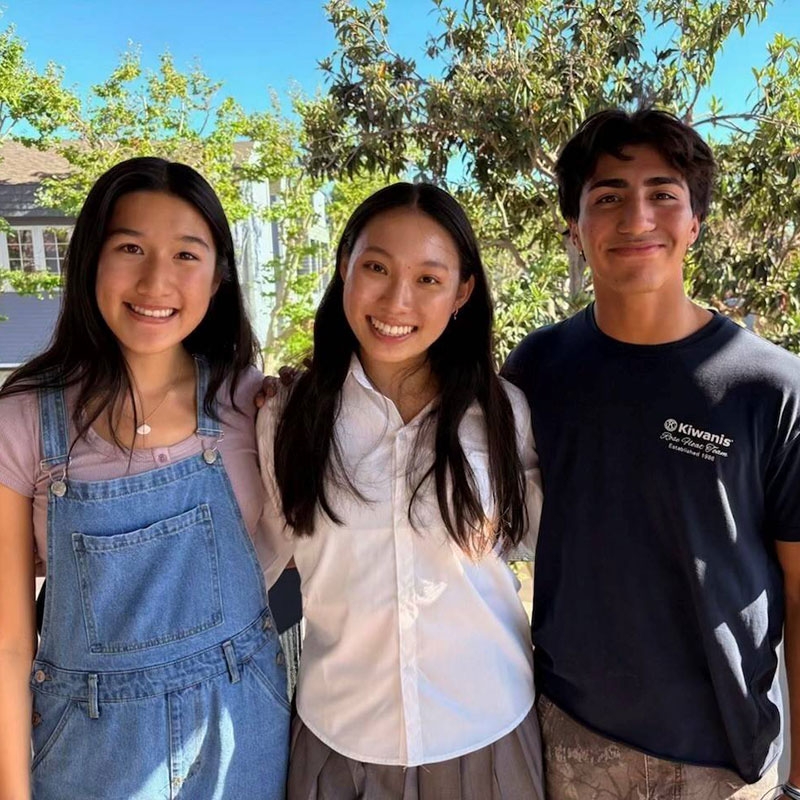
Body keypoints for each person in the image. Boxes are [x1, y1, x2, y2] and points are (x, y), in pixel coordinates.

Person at [503, 108, 800, 799]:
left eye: (663, 194)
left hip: (725, 761)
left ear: (695, 222)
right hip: (570, 739)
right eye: (607, 197)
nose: (637, 218)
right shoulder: (538, 368)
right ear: (574, 227)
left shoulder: (772, 387)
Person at [0, 157, 290, 799]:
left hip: (243, 731)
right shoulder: (22, 421)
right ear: (90, 261)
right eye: (130, 248)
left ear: (218, 276)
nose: (156, 281)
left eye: (186, 254)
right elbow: (8, 645)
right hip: (88, 751)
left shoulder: (254, 405)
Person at [257, 182, 545, 800]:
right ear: (344, 267)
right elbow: (259, 557)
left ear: (462, 291)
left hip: (486, 730)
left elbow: (536, 537)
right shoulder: (286, 416)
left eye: (429, 279)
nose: (396, 300)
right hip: (339, 740)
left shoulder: (503, 413)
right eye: (377, 268)